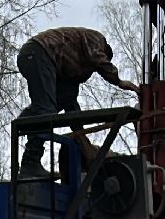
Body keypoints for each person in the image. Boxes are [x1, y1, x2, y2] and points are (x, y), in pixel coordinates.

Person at [16, 26, 140, 176]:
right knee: (46, 110)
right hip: (37, 52)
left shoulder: (70, 64)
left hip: (38, 56)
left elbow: (71, 106)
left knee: (53, 105)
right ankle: (30, 162)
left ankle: (22, 123)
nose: (93, 70)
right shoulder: (97, 39)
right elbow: (97, 57)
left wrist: (83, 142)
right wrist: (118, 81)